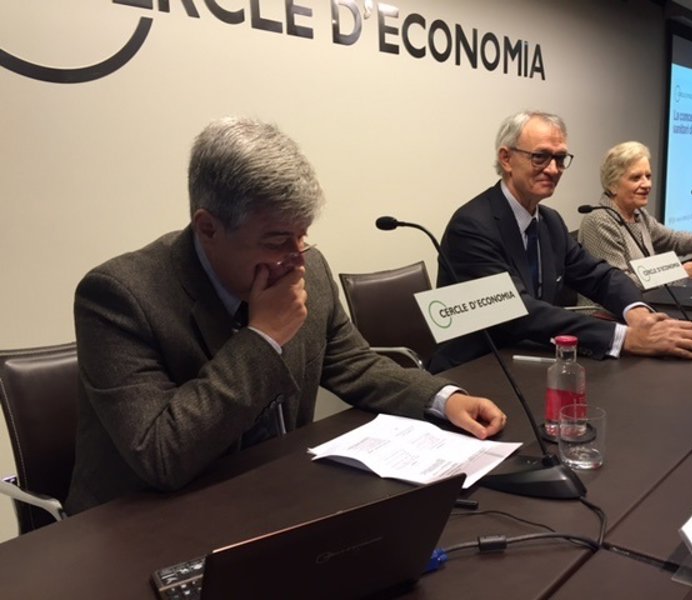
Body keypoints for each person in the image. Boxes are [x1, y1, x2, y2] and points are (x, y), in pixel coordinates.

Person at [66, 117, 506, 513]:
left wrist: (443, 398)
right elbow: (161, 453)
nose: (297, 257)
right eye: (277, 241)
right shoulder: (120, 296)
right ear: (208, 227)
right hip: (145, 520)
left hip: (273, 492)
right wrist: (262, 339)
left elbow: (353, 362)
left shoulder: (306, 268)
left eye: (303, 234)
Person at [429, 110, 692, 373]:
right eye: (540, 157)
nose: (553, 169)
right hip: (476, 367)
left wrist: (638, 314)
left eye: (560, 158)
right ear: (506, 159)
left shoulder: (549, 221)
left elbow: (599, 275)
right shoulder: (472, 226)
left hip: (530, 356)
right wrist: (624, 338)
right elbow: (516, 312)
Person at [578, 141, 692, 287]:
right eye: (636, 178)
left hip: (647, 300)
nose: (647, 185)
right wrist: (682, 272)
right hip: (615, 303)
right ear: (612, 185)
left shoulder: (639, 214)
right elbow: (619, 284)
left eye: (648, 176)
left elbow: (672, 239)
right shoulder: (598, 221)